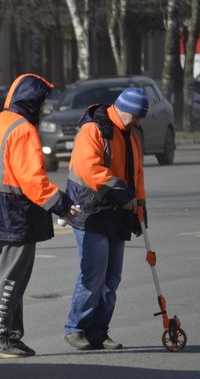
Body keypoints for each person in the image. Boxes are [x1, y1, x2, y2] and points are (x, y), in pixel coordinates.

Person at [0, 73, 80, 359]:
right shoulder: (24, 129)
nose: (43, 108)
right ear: (30, 100)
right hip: (13, 211)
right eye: (41, 102)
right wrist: (61, 204)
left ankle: (10, 335)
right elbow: (32, 180)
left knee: (13, 275)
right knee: (12, 277)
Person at [62, 87, 149, 350]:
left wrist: (140, 214)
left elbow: (137, 177)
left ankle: (99, 330)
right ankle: (76, 328)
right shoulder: (93, 129)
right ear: (121, 109)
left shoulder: (131, 135)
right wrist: (124, 194)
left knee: (112, 278)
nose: (138, 122)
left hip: (118, 213)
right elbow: (90, 169)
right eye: (135, 116)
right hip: (91, 211)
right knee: (94, 274)